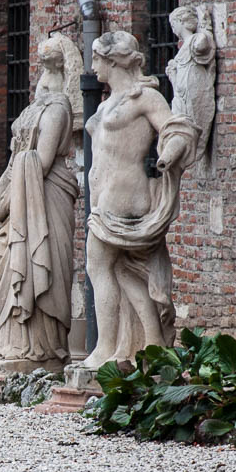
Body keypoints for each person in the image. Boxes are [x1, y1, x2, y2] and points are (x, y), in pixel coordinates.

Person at [80, 31, 200, 370]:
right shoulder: (107, 103)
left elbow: (176, 128)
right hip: (104, 198)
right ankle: (150, 343)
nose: (93, 66)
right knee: (123, 270)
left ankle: (105, 349)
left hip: (124, 196)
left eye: (97, 59)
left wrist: (169, 154)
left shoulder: (143, 97)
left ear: (113, 61)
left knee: (99, 266)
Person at [0, 34, 80, 372]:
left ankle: (42, 350)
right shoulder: (31, 111)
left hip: (47, 198)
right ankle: (10, 345)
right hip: (20, 199)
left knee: (40, 264)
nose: (42, 82)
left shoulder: (58, 109)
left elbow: (41, 162)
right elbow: (13, 165)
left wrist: (4, 209)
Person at [166, 4, 217, 152]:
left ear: (181, 21)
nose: (173, 29)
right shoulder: (184, 46)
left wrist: (204, 25)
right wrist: (173, 75)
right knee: (181, 118)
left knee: (193, 118)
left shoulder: (195, 39)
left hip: (194, 87)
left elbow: (202, 44)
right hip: (182, 91)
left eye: (173, 24)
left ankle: (193, 143)